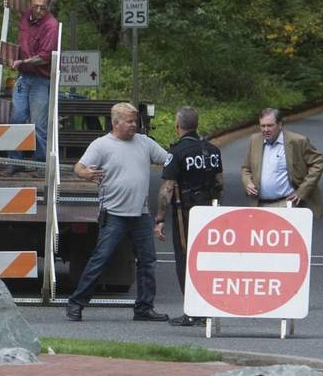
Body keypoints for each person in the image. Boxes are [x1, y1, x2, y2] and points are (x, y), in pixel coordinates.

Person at [66, 102, 170, 322]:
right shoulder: (101, 145)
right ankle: (76, 303)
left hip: (140, 214)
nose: (134, 125)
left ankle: (144, 308)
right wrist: (86, 174)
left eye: (135, 121)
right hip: (113, 213)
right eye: (129, 121)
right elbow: (79, 167)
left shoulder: (144, 142)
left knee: (148, 261)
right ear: (116, 123)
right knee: (101, 259)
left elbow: (168, 160)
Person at [154, 106, 223, 326]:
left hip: (186, 214)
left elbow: (167, 189)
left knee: (185, 260)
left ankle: (192, 311)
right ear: (197, 125)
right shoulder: (213, 150)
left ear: (177, 127)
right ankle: (207, 309)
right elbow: (219, 182)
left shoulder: (177, 153)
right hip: (210, 213)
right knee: (207, 261)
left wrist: (160, 219)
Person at [6, 0, 58, 173]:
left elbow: (44, 57)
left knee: (39, 125)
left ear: (48, 6)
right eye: (35, 6)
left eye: (42, 7)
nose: (38, 10)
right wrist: (11, 57)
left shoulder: (51, 25)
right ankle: (15, 163)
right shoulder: (24, 17)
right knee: (16, 119)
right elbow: (19, 43)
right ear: (30, 4)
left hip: (41, 80)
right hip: (23, 77)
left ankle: (41, 165)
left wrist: (23, 61)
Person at [241, 108, 323, 218]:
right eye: (262, 126)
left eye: (270, 125)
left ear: (280, 125)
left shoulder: (297, 141)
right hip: (260, 204)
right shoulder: (255, 140)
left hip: (287, 204)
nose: (266, 129)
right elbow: (246, 168)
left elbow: (318, 162)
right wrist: (247, 182)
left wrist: (303, 190)